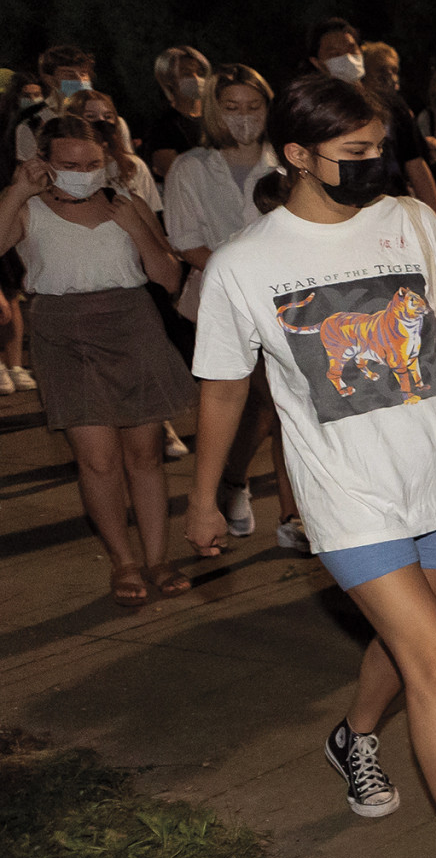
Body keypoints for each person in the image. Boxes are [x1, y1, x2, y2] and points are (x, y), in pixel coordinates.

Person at [181, 72, 436, 858]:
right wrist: (206, 498)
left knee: (405, 644)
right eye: (353, 153)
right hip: (347, 495)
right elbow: (225, 390)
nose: (374, 164)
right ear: (298, 155)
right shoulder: (245, 264)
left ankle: (354, 736)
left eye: (379, 148)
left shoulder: (411, 221)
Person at [0, 113, 197, 604]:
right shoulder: (29, 208)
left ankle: (157, 558)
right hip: (63, 332)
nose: (82, 171)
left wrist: (138, 228)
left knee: (145, 455)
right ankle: (123, 562)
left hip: (132, 324)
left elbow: (169, 279)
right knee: (98, 460)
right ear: (43, 162)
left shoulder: (124, 204)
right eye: (69, 163)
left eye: (92, 163)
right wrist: (15, 193)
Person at [164, 65, 307, 552]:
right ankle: (232, 481)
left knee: (283, 411)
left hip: (286, 306)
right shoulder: (191, 168)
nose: (244, 117)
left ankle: (293, 513)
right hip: (219, 304)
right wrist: (244, 277)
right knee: (245, 407)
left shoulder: (290, 163)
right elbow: (186, 242)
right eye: (232, 107)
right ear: (212, 110)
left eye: (254, 106)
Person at [309, 20, 436, 209]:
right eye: (335, 53)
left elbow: (416, 165)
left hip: (392, 211)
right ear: (317, 63)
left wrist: (435, 221)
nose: (347, 57)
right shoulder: (313, 112)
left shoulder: (389, 104)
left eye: (352, 49)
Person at [143, 45, 212, 180]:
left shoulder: (216, 119)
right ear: (169, 80)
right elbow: (175, 174)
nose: (196, 78)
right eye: (186, 73)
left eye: (200, 73)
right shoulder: (162, 128)